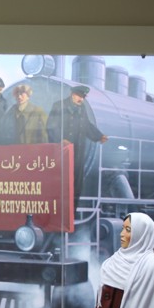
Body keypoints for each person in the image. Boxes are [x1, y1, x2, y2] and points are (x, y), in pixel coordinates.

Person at [46, 85, 108, 213]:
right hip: (61, 153)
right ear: (72, 94)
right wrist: (61, 139)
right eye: (79, 96)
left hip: (77, 154)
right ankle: (57, 214)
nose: (81, 99)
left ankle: (71, 214)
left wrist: (99, 136)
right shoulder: (59, 106)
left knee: (76, 186)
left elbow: (87, 126)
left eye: (83, 97)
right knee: (60, 183)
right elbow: (51, 126)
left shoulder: (82, 108)